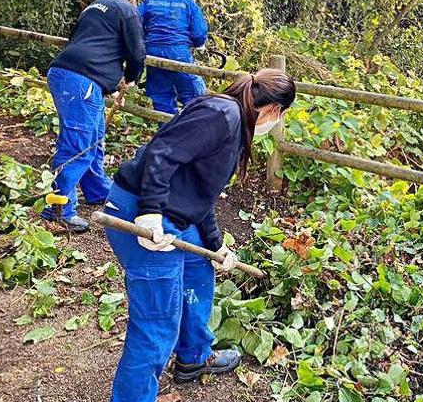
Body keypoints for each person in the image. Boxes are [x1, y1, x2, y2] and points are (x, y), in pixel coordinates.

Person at [102, 68, 295, 402]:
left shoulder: (236, 128)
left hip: (171, 213)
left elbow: (200, 194)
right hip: (140, 212)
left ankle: (193, 357)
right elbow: (162, 153)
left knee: (197, 271)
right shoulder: (221, 114)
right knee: (156, 327)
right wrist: (150, 212)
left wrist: (216, 245)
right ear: (275, 111)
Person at [40, 0, 146, 232]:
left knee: (95, 137)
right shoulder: (127, 11)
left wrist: (107, 82)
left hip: (68, 73)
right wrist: (131, 79)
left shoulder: (93, 7)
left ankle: (97, 189)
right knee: (79, 145)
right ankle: (59, 209)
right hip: (81, 80)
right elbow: (137, 53)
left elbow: (88, 43)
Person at [137, 0, 209, 114]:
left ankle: (166, 131)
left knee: (161, 95)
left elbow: (134, 23)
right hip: (179, 52)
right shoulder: (188, 3)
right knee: (193, 94)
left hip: (152, 52)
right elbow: (199, 32)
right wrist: (199, 44)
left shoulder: (149, 1)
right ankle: (190, 128)